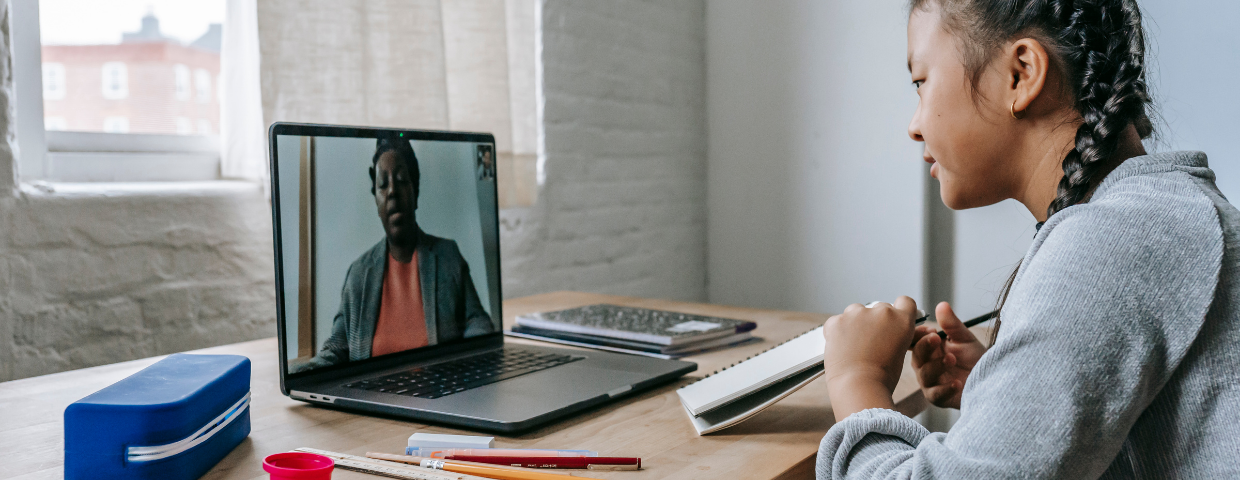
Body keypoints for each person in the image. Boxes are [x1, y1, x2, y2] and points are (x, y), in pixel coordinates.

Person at [816, 0, 1240, 478]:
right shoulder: (1155, 216)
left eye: (921, 83)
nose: (914, 126)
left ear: (1021, 73)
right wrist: (1005, 390)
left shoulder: (1109, 246)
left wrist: (858, 381)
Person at [295, 137, 495, 373]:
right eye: (383, 184)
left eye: (401, 180)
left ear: (416, 191)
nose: (392, 191)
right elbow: (337, 348)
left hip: (441, 394)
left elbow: (479, 322)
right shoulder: (359, 274)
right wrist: (299, 376)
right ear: (377, 201)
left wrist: (462, 366)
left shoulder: (447, 256)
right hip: (371, 403)